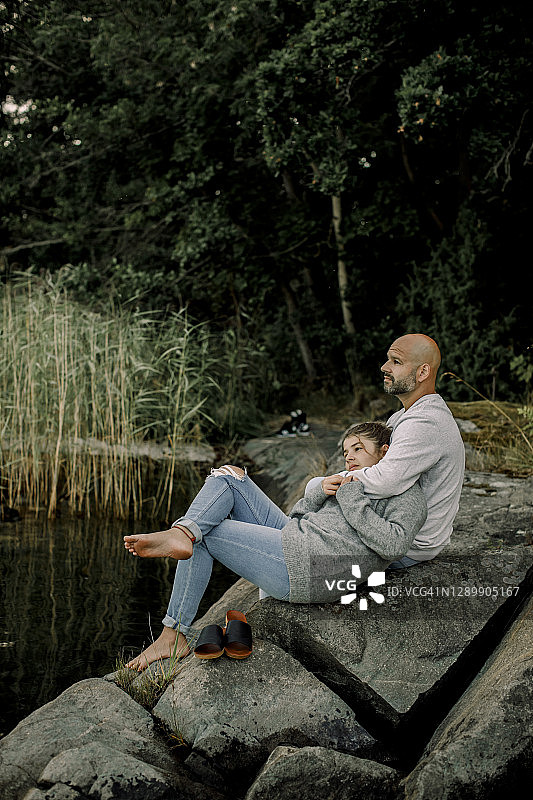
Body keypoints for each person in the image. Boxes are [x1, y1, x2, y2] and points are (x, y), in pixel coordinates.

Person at [123, 421, 427, 670]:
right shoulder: (351, 480)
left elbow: (393, 545)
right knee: (230, 476)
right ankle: (183, 531)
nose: (349, 457)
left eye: (358, 449)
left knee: (205, 534)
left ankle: (173, 634)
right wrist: (319, 492)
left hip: (314, 568)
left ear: (386, 452)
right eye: (346, 451)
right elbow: (297, 517)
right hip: (296, 541)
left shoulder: (405, 495)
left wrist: (352, 500)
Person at [345, 333, 465, 568]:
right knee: (290, 539)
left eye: (396, 362)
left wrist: (326, 483)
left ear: (422, 373)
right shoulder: (405, 416)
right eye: (387, 360)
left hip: (406, 545)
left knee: (291, 551)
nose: (384, 367)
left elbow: (384, 481)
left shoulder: (426, 423)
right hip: (389, 529)